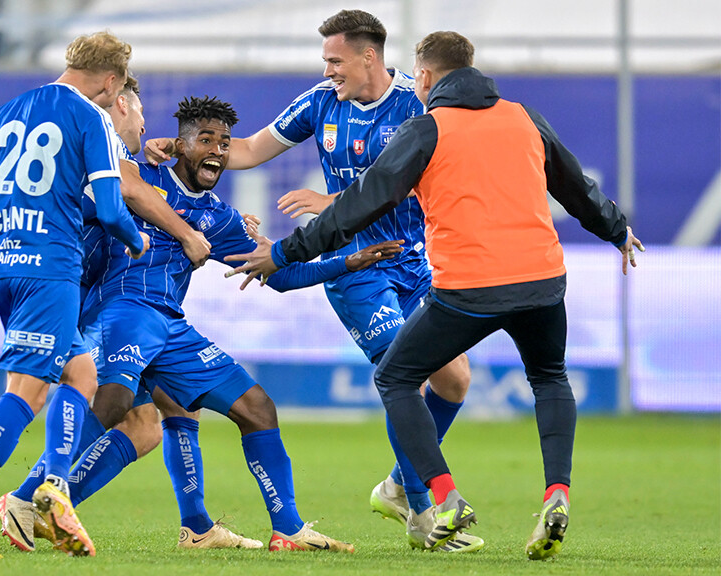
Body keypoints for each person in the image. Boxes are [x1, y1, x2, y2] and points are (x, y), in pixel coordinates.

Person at [225, 31, 644, 561]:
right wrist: (617, 229)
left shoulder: (425, 125)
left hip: (464, 285)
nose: (328, 70)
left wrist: (286, 253)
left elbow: (360, 204)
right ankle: (549, 493)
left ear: (422, 76)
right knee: (547, 378)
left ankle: (433, 498)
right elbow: (574, 184)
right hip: (540, 280)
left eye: (335, 59)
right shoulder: (523, 116)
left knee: (399, 376)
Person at [0, 88, 399, 553]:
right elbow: (73, 206)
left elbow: (278, 274)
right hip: (118, 311)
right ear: (179, 145)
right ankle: (28, 499)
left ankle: (283, 529)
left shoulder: (219, 218)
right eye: (206, 140)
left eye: (225, 143)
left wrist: (345, 262)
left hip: (168, 325)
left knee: (254, 408)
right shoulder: (135, 180)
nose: (218, 151)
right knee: (117, 401)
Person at [145, 9, 480, 553]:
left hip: (416, 260)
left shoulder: (418, 105)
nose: (327, 70)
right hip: (356, 268)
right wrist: (180, 144)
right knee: (410, 376)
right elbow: (250, 149)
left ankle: (397, 484)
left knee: (456, 381)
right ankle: (425, 514)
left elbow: (435, 181)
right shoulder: (321, 102)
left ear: (369, 56)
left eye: (335, 60)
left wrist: (334, 201)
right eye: (324, 61)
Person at [0, 30, 151, 559]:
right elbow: (111, 204)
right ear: (112, 80)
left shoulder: (5, 111)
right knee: (26, 392)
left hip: (4, 265)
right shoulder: (92, 117)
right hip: (50, 268)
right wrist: (135, 238)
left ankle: (54, 487)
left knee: (80, 375)